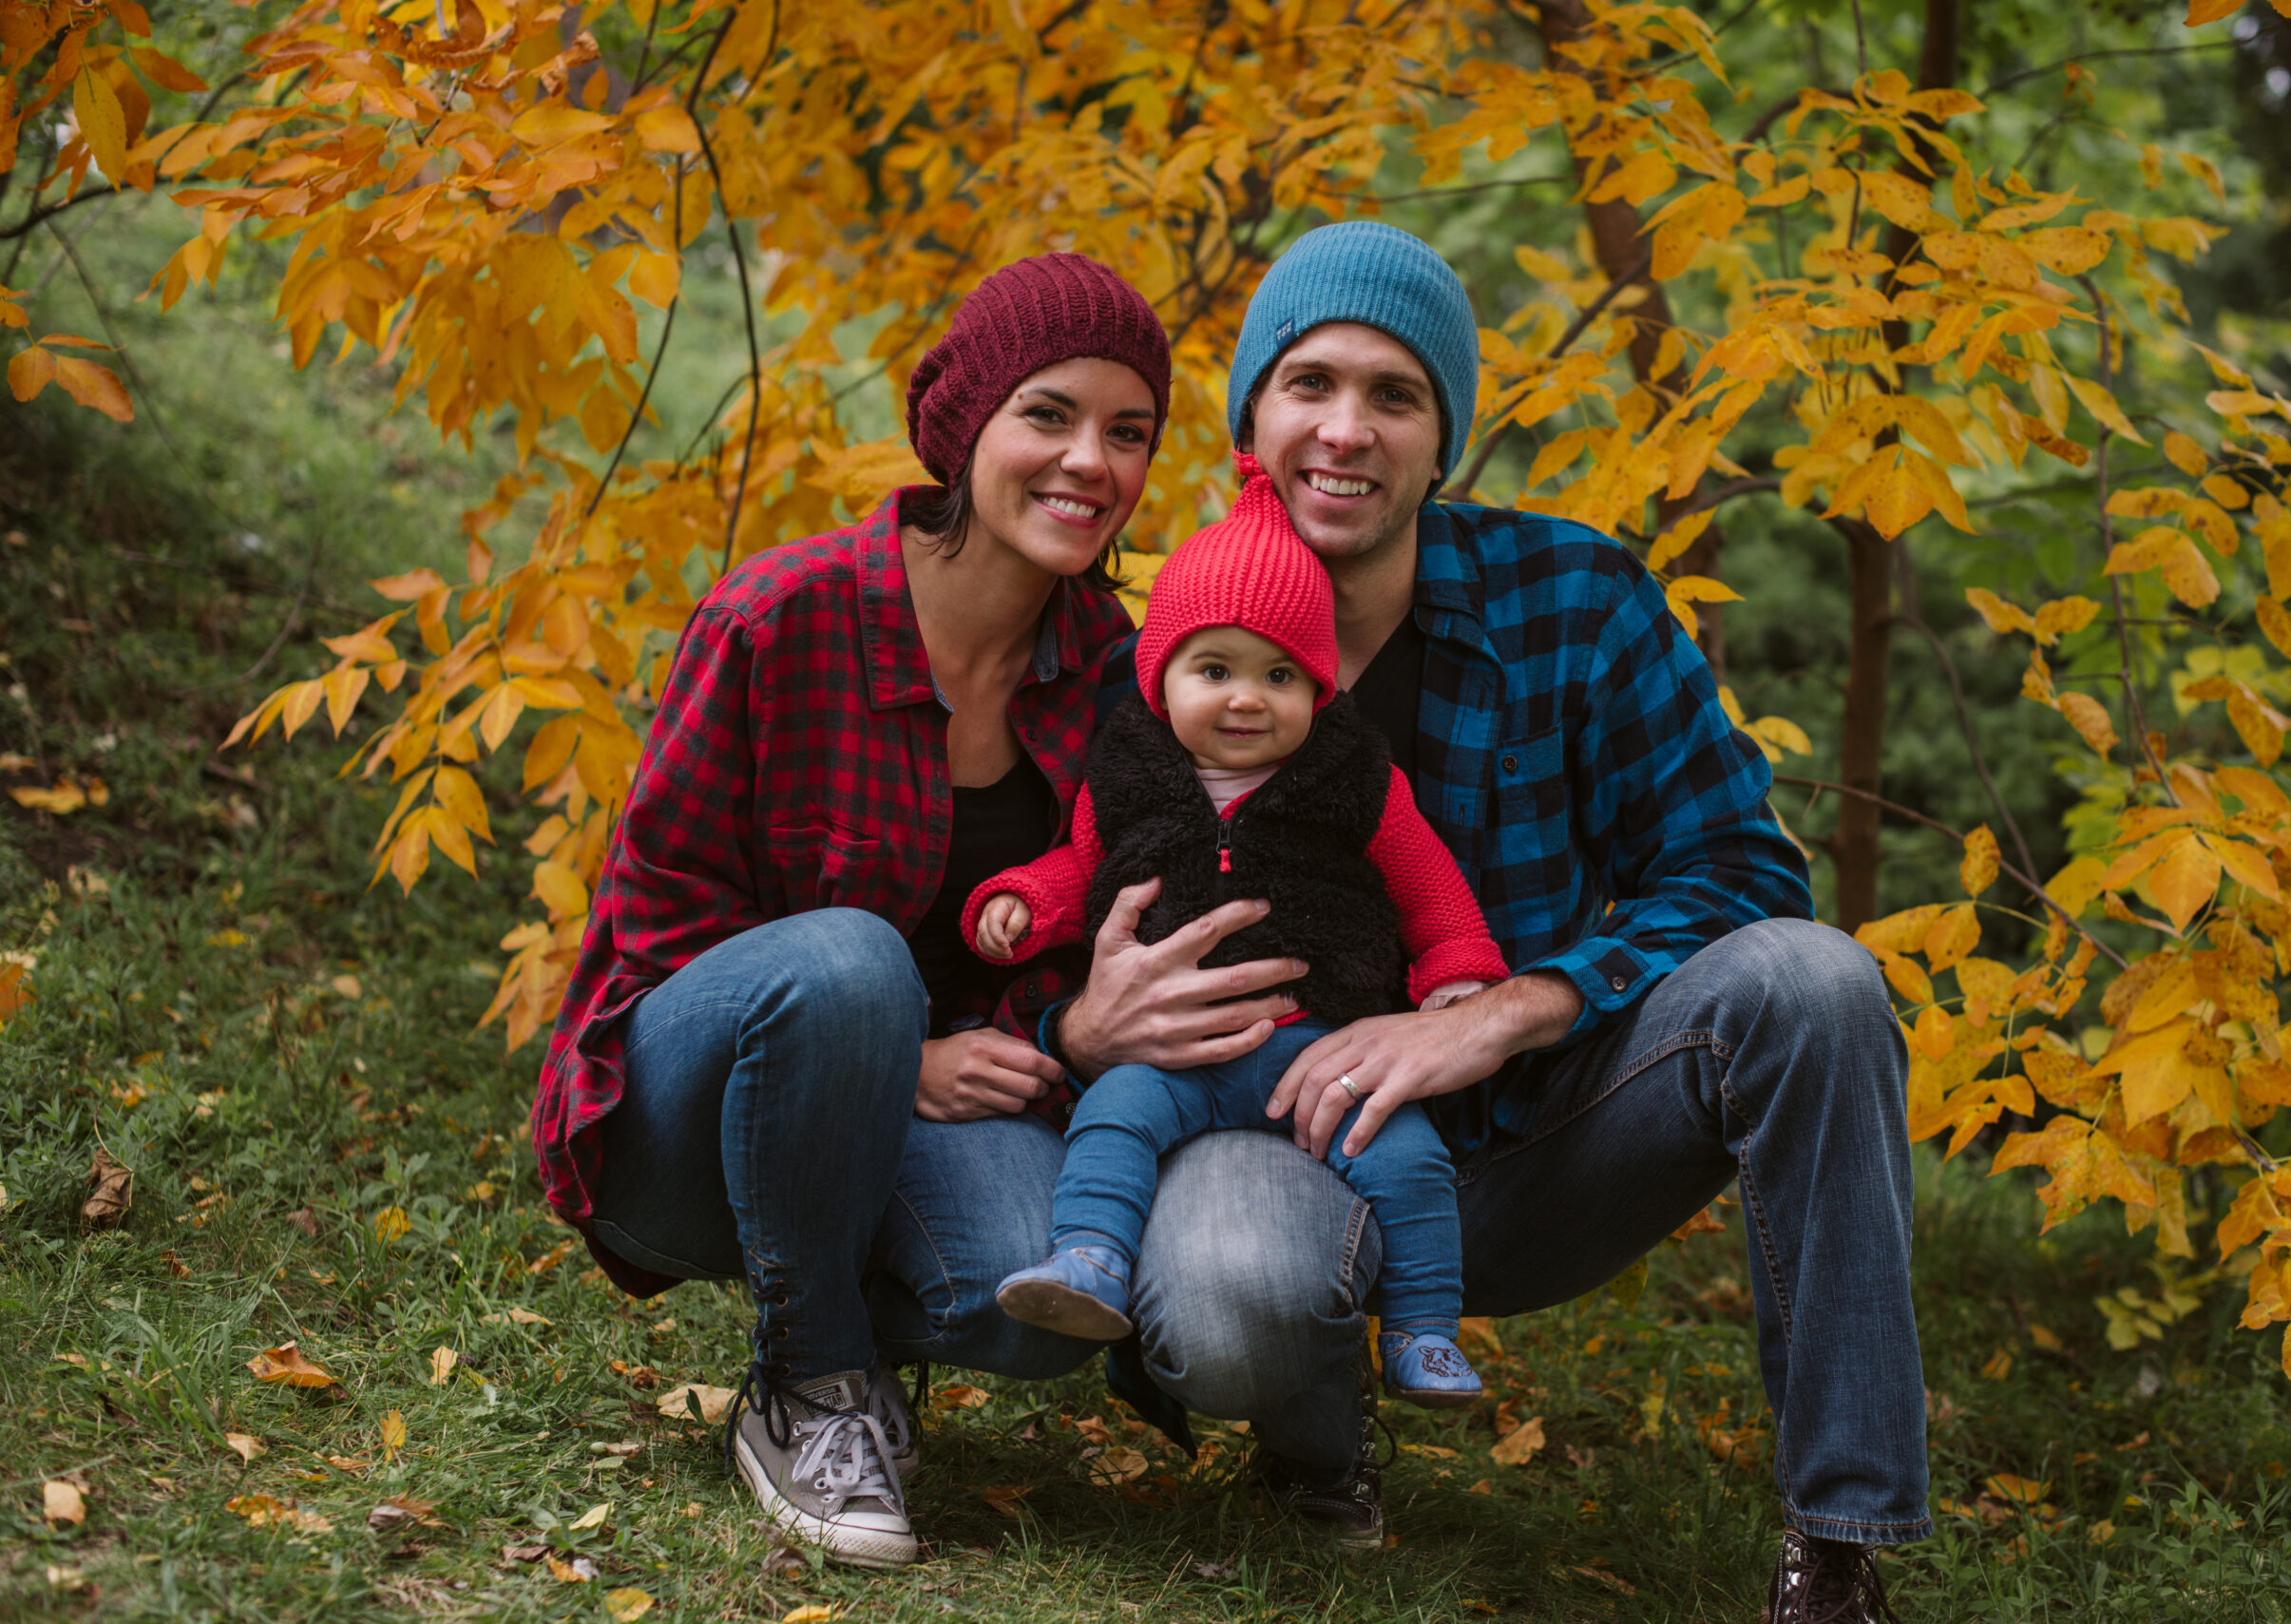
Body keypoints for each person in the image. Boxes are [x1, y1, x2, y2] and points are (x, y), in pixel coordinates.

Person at [1030, 222, 1926, 1621]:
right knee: (1223, 1307)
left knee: (1816, 984)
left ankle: (1841, 1549)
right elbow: (1035, 906)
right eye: (1311, 383)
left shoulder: (1580, 600)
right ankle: (1317, 1430)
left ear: (1444, 439)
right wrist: (1082, 1023)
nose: (1348, 428)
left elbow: (1745, 870)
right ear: (1249, 425)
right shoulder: (1163, 645)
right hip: (1278, 1125)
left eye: (1397, 395)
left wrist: (1517, 1004)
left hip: (1537, 1140)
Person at [527, 254, 1175, 1570]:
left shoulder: (1119, 677)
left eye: (1129, 432)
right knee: (849, 964)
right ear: (968, 428)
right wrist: (894, 1047)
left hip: (910, 1127)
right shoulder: (782, 615)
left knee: (1042, 1303)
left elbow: (1076, 943)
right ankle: (808, 1380)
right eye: (1048, 415)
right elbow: (655, 929)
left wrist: (1060, 1033)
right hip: (688, 1116)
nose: (1089, 462)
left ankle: (846, 1322)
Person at [964, 453, 1509, 1405]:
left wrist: (1458, 974)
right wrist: (1021, 900)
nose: (1246, 697)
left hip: (1314, 1046)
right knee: (1110, 1119)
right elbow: (1082, 865)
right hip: (1172, 1055)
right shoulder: (1130, 774)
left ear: (1319, 688)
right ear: (1160, 677)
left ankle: (1423, 1327)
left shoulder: (1354, 781)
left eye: (1279, 674)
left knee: (1406, 1152)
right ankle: (1089, 1259)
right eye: (1213, 669)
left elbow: (1431, 892)